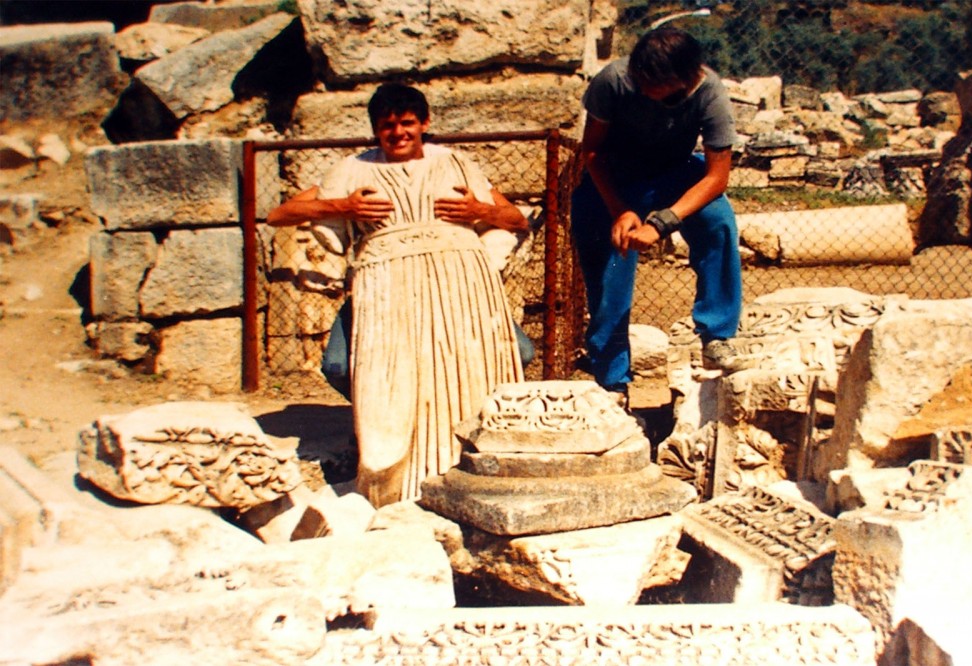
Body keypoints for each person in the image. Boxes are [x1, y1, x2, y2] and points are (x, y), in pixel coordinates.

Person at [266, 83, 528, 507]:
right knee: (369, 370)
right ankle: (395, 466)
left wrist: (480, 212)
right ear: (375, 130)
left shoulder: (456, 164)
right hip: (387, 283)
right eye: (387, 126)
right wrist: (343, 207)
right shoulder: (354, 169)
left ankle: (470, 465)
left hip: (460, 281)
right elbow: (280, 213)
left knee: (490, 360)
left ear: (424, 123)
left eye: (407, 123)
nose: (398, 132)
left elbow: (515, 218)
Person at [571, 26, 750, 403]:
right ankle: (612, 381)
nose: (645, 89)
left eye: (655, 84)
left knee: (717, 221)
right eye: (641, 80)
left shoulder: (710, 93)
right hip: (614, 178)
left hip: (675, 173)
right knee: (611, 274)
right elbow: (592, 153)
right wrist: (620, 211)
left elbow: (717, 178)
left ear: (685, 78)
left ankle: (718, 335)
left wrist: (661, 222)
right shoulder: (614, 82)